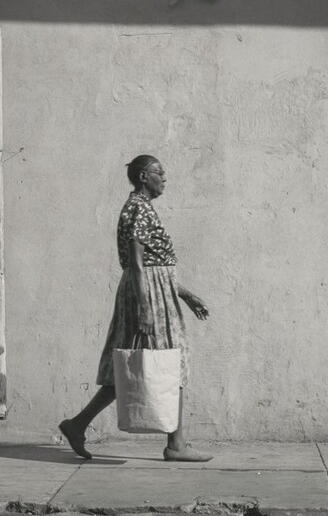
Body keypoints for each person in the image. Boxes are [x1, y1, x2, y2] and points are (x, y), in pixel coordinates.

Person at [59, 155, 213, 462]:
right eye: (160, 173)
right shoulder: (138, 208)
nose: (164, 178)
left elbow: (155, 267)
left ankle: (77, 424)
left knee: (135, 366)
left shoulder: (141, 208)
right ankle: (177, 444)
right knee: (169, 362)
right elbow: (139, 264)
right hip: (147, 297)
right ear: (144, 176)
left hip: (153, 292)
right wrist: (145, 309)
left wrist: (185, 294)